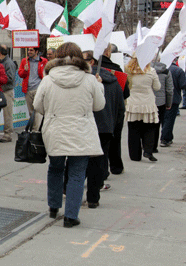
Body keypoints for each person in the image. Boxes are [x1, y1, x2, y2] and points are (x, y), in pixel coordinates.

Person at [33, 42, 105, 228]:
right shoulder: (89, 79)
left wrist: (51, 111)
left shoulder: (48, 79)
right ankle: (71, 216)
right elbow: (99, 106)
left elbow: (37, 106)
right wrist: (100, 87)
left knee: (55, 168)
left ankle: (53, 206)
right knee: (77, 174)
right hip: (81, 131)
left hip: (55, 130)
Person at [82, 51, 124, 208]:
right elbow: (121, 107)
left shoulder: (86, 81)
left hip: (89, 125)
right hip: (105, 126)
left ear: (91, 62)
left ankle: (69, 187)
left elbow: (98, 105)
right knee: (98, 163)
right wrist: (114, 125)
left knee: (79, 161)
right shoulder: (114, 80)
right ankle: (94, 196)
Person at [100, 44, 129, 174]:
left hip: (99, 109)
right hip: (115, 109)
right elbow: (125, 93)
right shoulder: (116, 69)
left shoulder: (91, 70)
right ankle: (116, 166)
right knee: (115, 139)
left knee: (101, 141)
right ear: (108, 52)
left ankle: (103, 170)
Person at [125, 56, 161, 162]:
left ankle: (135, 155)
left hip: (133, 103)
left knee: (133, 130)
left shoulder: (128, 71)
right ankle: (148, 150)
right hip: (147, 103)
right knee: (149, 128)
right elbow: (157, 87)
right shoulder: (151, 71)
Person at [160, 58, 186, 146]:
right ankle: (165, 138)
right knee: (169, 120)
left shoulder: (158, 69)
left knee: (163, 119)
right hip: (174, 98)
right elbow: (183, 85)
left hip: (160, 98)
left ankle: (167, 136)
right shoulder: (178, 70)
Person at [18, 47, 47, 116]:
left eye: (31, 50)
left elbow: (46, 74)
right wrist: (25, 70)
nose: (29, 52)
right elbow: (20, 74)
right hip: (28, 90)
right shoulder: (24, 61)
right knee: (31, 112)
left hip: (38, 89)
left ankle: (38, 126)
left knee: (39, 110)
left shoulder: (43, 61)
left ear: (36, 51)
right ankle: (34, 126)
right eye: (28, 50)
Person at [151, 60, 173, 152]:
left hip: (149, 100)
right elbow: (169, 89)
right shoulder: (166, 71)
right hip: (161, 101)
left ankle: (146, 144)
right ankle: (153, 146)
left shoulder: (146, 69)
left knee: (148, 124)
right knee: (157, 124)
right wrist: (169, 103)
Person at [0, 44, 17, 143]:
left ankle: (7, 134)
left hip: (6, 90)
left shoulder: (8, 63)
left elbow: (10, 78)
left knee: (7, 114)